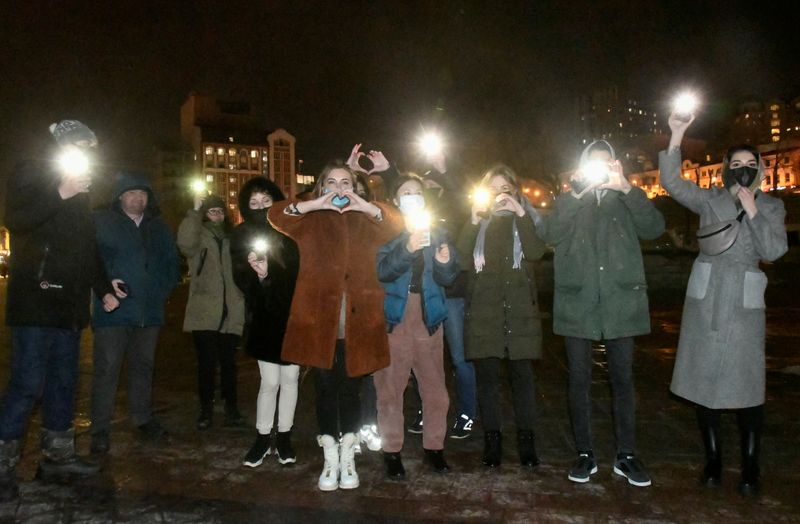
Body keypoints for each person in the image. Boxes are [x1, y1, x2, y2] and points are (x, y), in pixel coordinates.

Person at [661, 114, 787, 496]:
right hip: (707, 295)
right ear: (725, 171)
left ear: (760, 169)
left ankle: (750, 468)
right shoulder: (709, 199)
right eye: (736, 165)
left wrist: (752, 211)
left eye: (750, 165)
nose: (743, 171)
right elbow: (671, 183)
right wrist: (677, 133)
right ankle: (713, 461)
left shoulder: (773, 206)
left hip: (744, 302)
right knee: (703, 383)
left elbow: (775, 250)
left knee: (748, 387)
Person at [0, 120, 119, 501]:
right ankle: (3, 467)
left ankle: (57, 457)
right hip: (36, 300)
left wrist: (104, 287)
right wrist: (60, 192)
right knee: (26, 385)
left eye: (91, 146)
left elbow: (87, 246)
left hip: (69, 306)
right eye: (82, 144)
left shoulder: (79, 190)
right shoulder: (32, 171)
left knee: (64, 384)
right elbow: (16, 219)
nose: (87, 151)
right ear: (63, 145)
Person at [269, 162, 403, 491]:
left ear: (356, 188)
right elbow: (276, 215)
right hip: (320, 323)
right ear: (321, 186)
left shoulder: (367, 219)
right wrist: (316, 202)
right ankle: (330, 455)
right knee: (325, 390)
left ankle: (348, 455)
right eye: (331, 182)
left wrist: (364, 204)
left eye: (346, 182)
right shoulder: (311, 219)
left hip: (358, 322)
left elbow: (396, 223)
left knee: (351, 391)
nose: (339, 187)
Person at [539, 140, 665, 487]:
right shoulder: (571, 201)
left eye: (605, 163)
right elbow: (548, 234)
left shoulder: (625, 198)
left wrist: (626, 187)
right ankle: (585, 453)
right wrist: (575, 195)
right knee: (578, 380)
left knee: (622, 379)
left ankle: (626, 455)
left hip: (620, 301)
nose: (599, 170)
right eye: (591, 164)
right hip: (577, 303)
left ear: (615, 164)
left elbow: (654, 228)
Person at [457, 164, 545, 469]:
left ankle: (526, 440)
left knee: (523, 379)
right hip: (485, 311)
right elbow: (462, 258)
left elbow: (535, 252)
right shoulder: (480, 222)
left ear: (516, 191)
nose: (499, 195)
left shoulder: (528, 218)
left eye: (504, 189)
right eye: (492, 189)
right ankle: (492, 439)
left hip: (520, 311)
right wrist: (471, 220)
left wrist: (520, 213)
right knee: (489, 381)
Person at [89, 172, 180, 454]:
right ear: (119, 197)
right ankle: (100, 428)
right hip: (113, 311)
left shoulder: (159, 227)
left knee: (143, 367)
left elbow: (170, 265)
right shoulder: (102, 222)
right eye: (130, 193)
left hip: (149, 313)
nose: (137, 198)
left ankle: (142, 418)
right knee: (107, 369)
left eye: (142, 193)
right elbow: (90, 260)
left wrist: (160, 292)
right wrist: (105, 286)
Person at [375, 173, 458, 479]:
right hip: (395, 317)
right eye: (405, 192)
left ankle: (434, 448)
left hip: (429, 317)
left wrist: (446, 261)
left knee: (436, 389)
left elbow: (449, 278)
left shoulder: (438, 232)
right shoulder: (385, 232)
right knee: (390, 389)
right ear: (396, 200)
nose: (412, 196)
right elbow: (382, 271)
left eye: (417, 192)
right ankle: (392, 450)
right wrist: (406, 247)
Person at [230, 177, 300, 467]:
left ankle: (284, 436)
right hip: (262, 318)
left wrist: (276, 269)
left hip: (294, 315)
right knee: (269, 381)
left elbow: (300, 272)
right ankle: (262, 436)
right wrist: (259, 275)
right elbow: (239, 277)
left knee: (291, 379)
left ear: (276, 201)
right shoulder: (241, 233)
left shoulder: (291, 230)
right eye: (253, 203)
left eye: (266, 201)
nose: (260, 207)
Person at [177, 193, 245, 430]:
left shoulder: (232, 236)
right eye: (211, 211)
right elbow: (184, 243)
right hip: (205, 310)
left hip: (231, 310)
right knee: (206, 364)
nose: (216, 214)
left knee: (229, 363)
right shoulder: (198, 235)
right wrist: (194, 211)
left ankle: (232, 408)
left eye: (219, 210)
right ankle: (205, 409)